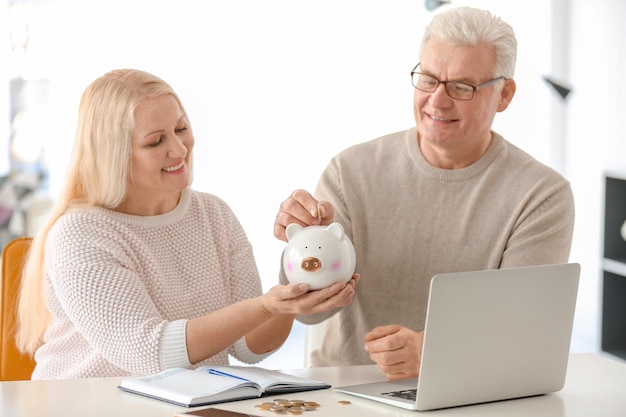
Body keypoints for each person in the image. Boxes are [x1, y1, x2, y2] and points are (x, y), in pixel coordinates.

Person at [273, 6, 574, 380]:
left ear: (504, 94)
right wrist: (305, 246)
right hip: (345, 394)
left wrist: (434, 353)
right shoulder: (350, 172)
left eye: (462, 86)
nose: (437, 101)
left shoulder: (540, 196)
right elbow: (308, 311)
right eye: (428, 79)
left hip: (470, 396)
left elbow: (521, 329)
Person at [16, 69, 358, 379]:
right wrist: (266, 304)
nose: (179, 149)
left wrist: (297, 285)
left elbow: (251, 347)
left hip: (187, 404)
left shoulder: (214, 214)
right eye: (156, 141)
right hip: (87, 405)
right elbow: (152, 353)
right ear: (113, 153)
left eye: (181, 128)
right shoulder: (81, 234)